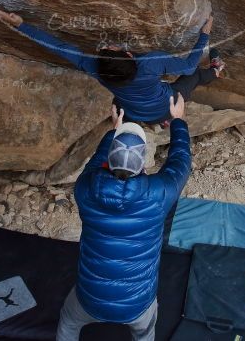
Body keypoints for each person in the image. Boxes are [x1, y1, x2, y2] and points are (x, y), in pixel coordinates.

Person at [56, 95, 192, 341]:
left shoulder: (85, 189)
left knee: (67, 322)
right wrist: (178, 121)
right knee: (145, 332)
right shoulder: (158, 194)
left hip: (89, 300)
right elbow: (180, 162)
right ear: (142, 163)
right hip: (137, 305)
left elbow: (94, 163)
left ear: (110, 158)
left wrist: (113, 132)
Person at [0, 8, 225, 124]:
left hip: (133, 113)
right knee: (192, 76)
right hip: (166, 107)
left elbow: (58, 47)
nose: (110, 45)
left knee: (118, 100)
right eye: (112, 49)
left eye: (109, 49)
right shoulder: (151, 63)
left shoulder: (95, 67)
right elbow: (187, 66)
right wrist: (204, 36)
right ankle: (216, 68)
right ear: (129, 55)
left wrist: (21, 25)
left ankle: (160, 121)